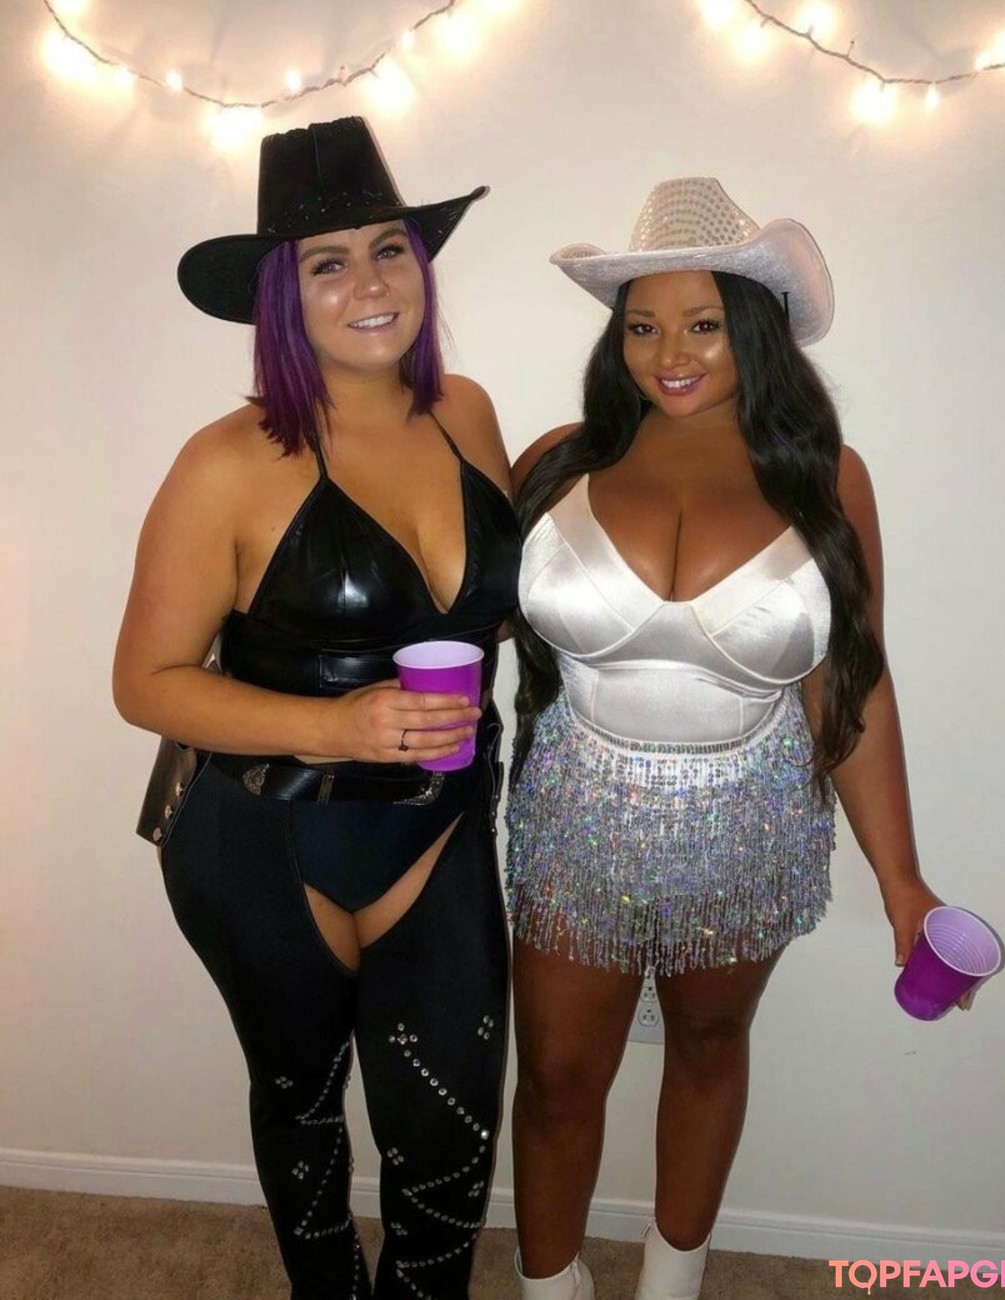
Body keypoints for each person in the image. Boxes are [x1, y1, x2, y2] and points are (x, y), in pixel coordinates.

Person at [504, 178, 944, 1300]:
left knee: (707, 1049)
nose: (670, 354)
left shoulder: (829, 475)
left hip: (748, 829)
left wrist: (901, 879)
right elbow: (458, 615)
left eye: (702, 323)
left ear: (754, 328)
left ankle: (672, 1283)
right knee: (554, 1077)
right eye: (642, 326)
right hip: (574, 823)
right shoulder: (558, 461)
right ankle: (551, 1288)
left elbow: (853, 684)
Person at [113, 116, 521, 1300]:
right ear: (280, 300)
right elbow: (145, 682)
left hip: (436, 823)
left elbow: (496, 600)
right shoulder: (227, 461)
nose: (371, 283)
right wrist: (335, 725)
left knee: (449, 1129)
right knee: (300, 1109)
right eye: (326, 264)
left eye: (390, 249)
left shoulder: (469, 411)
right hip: (266, 833)